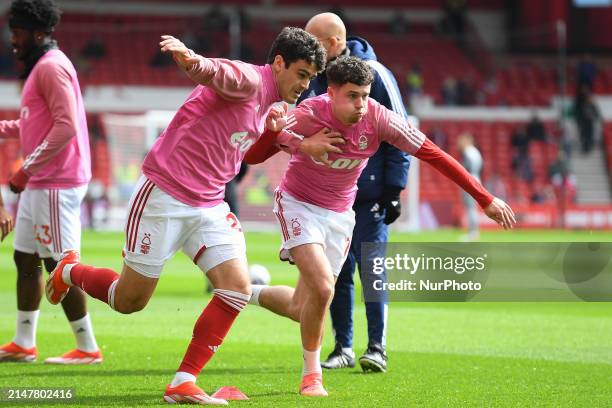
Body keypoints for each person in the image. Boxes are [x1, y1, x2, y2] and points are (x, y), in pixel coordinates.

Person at [45, 28, 332, 404]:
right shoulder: (249, 79)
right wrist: (190, 58)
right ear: (279, 63)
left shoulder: (273, 105)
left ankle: (183, 381)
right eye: (301, 73)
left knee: (237, 288)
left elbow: (247, 153)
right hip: (164, 195)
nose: (305, 84)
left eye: (311, 77)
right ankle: (69, 269)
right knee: (129, 301)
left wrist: (274, 133)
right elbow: (214, 72)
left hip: (210, 204)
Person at [245, 56, 515, 397]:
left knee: (302, 309)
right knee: (325, 289)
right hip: (299, 205)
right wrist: (292, 140)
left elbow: (433, 154)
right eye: (353, 96)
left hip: (340, 215)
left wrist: (484, 198)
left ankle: (244, 291)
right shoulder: (308, 113)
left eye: (365, 95)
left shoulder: (379, 118)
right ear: (331, 92)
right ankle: (311, 377)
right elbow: (252, 157)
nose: (361, 104)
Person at [297, 12, 411, 373]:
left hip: (370, 194)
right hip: (328, 200)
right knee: (336, 274)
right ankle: (343, 346)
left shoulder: (375, 75)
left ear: (333, 43)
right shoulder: (318, 78)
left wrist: (394, 188)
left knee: (372, 268)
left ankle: (377, 346)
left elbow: (400, 133)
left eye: (315, 42)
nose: (310, 50)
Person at [0, 0, 102, 365]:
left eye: (18, 32)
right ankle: (24, 341)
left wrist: (25, 169)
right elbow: (36, 125)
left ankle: (88, 347)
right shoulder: (42, 67)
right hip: (42, 182)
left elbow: (67, 126)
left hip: (55, 181)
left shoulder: (52, 68)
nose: (12, 39)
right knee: (25, 257)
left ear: (39, 32)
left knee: (60, 265)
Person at [457, 133, 483, 241]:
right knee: (472, 208)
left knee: (471, 208)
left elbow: (466, 167)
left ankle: (473, 233)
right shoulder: (475, 152)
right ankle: (473, 232)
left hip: (470, 180)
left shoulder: (468, 152)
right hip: (475, 178)